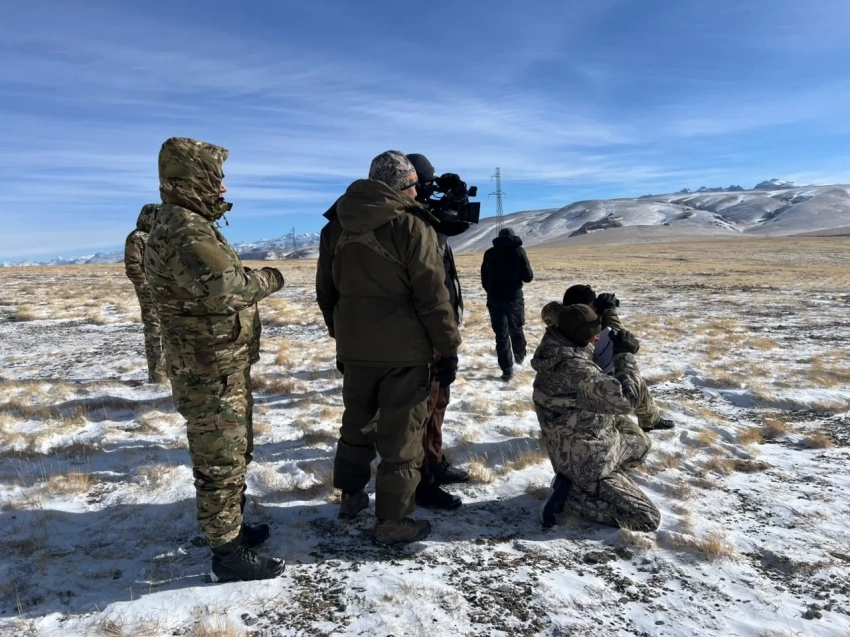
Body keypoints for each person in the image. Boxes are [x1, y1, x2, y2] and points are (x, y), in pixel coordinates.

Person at [144, 137, 286, 582]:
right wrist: (269, 278)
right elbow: (226, 287)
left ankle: (232, 529)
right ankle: (227, 555)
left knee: (231, 451)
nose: (223, 187)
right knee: (219, 459)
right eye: (216, 177)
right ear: (192, 177)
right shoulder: (184, 229)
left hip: (216, 363)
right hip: (208, 368)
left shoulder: (188, 222)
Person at [316, 150, 461, 545]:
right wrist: (448, 348)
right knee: (402, 438)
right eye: (413, 185)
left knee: (356, 425)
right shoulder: (412, 225)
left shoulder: (335, 227)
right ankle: (392, 522)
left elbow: (326, 294)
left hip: (355, 352)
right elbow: (432, 297)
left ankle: (350, 498)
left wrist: (344, 336)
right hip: (405, 355)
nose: (417, 192)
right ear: (400, 185)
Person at [531, 303, 661, 532]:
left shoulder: (556, 346)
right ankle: (571, 496)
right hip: (587, 463)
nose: (596, 339)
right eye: (592, 334)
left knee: (642, 445)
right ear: (579, 335)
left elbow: (591, 354)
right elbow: (627, 401)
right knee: (646, 518)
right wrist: (625, 355)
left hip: (586, 440)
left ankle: (599, 485)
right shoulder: (577, 371)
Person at [405, 153, 471, 511]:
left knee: (438, 401)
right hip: (424, 330)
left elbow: (455, 225)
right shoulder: (410, 220)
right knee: (425, 405)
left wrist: (456, 198)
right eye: (425, 184)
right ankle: (423, 479)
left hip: (437, 325)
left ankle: (434, 460)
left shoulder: (424, 217)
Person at [541, 284, 674, 431]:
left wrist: (597, 311)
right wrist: (609, 311)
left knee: (633, 377)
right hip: (585, 387)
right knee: (629, 378)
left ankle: (651, 420)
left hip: (561, 394)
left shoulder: (561, 321)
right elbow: (617, 336)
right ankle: (649, 421)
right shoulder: (578, 328)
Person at [481, 228, 533, 380]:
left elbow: (484, 277)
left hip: (495, 299)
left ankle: (507, 370)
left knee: (501, 334)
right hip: (514, 298)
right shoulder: (519, 251)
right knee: (516, 329)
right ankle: (520, 361)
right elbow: (528, 277)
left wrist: (491, 291)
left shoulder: (490, 253)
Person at [124, 203, 165, 383]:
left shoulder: (161, 236)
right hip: (149, 292)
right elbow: (133, 266)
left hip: (167, 291)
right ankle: (157, 375)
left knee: (169, 330)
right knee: (154, 330)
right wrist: (145, 287)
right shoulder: (137, 237)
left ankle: (170, 372)